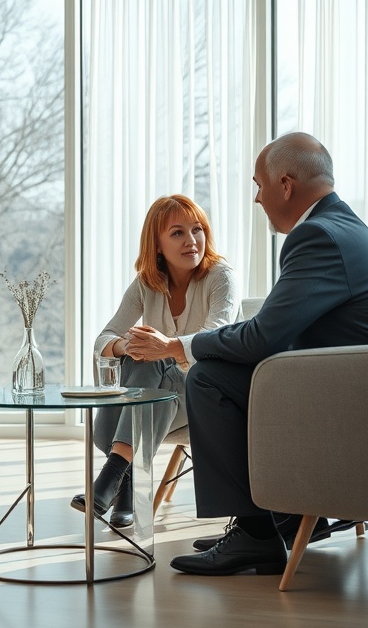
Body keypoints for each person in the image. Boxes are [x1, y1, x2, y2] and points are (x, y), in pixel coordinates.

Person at [166, 132, 368, 576]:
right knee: (229, 373)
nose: (257, 199)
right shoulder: (341, 224)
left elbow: (261, 338)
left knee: (209, 378)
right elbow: (283, 333)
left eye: (259, 185)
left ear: (285, 185)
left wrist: (182, 346)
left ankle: (257, 535)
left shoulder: (317, 235)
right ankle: (284, 521)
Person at [70, 194, 241, 528]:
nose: (191, 240)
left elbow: (212, 342)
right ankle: (124, 479)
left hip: (208, 394)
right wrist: (127, 345)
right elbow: (104, 339)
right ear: (158, 245)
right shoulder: (146, 283)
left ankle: (113, 477)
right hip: (163, 402)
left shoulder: (221, 277)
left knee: (152, 360)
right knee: (141, 359)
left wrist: (164, 348)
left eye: (197, 229)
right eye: (178, 233)